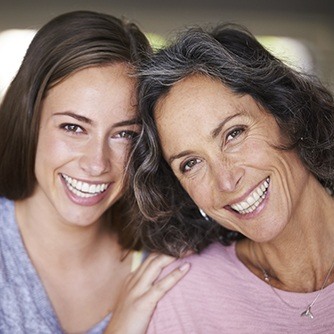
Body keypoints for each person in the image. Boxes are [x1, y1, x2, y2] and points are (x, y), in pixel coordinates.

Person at [130, 23, 334, 333]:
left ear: (289, 116)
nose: (226, 181)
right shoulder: (182, 295)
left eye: (233, 134)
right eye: (191, 163)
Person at [0, 10, 189, 334]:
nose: (97, 163)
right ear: (28, 119)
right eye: (73, 127)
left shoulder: (166, 263)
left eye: (124, 134)